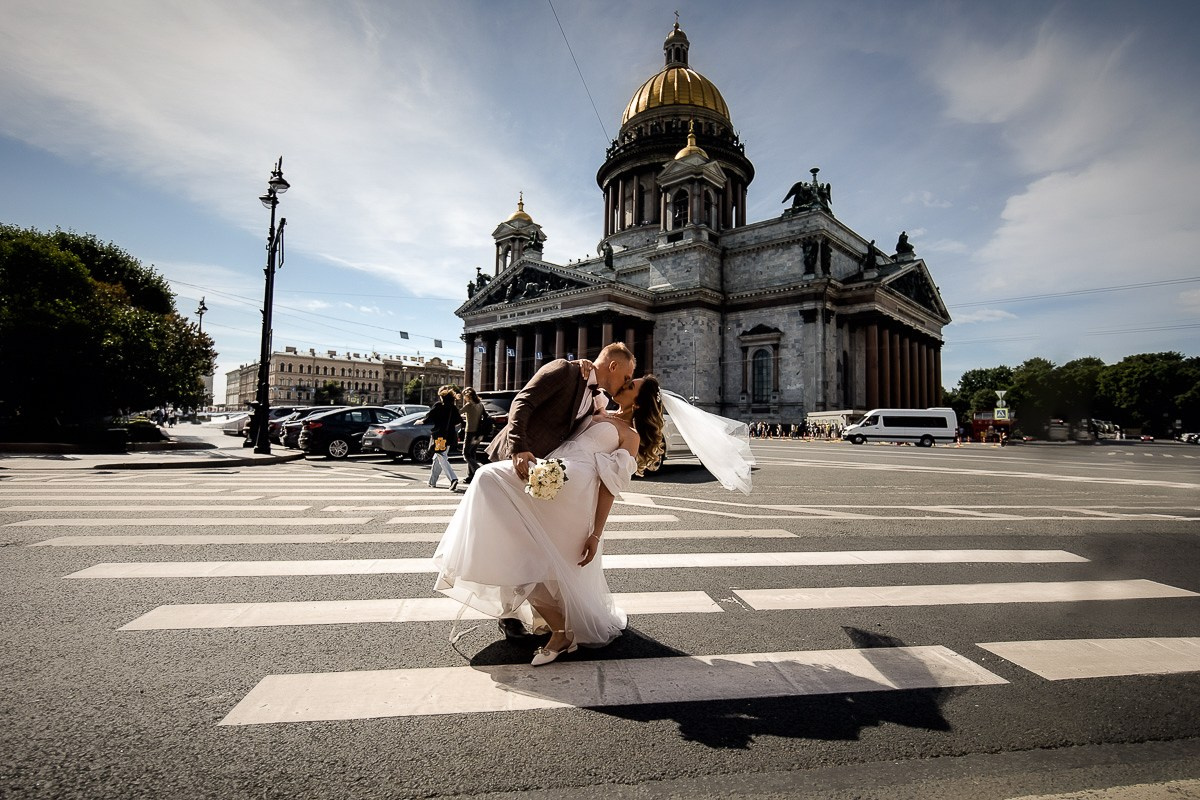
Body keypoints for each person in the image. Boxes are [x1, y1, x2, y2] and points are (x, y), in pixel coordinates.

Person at [433, 375, 666, 666]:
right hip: (551, 474)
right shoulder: (599, 409)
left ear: (639, 402)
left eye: (631, 386)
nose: (624, 384)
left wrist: (595, 534)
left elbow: (609, 488)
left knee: (490, 481)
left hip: (573, 493)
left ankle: (560, 631)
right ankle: (558, 626)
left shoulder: (630, 436)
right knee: (525, 547)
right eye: (628, 380)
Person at [423, 386, 463, 491]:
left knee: (441, 456)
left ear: (441, 396)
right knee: (438, 457)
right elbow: (458, 421)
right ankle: (432, 481)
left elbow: (429, 417)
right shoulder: (453, 408)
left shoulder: (439, 405)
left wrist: (421, 421)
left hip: (440, 436)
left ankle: (453, 478)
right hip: (449, 436)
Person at [459, 387, 485, 484]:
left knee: (466, 454)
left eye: (464, 396)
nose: (464, 398)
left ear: (468, 395)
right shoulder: (480, 404)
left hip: (470, 432)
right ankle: (471, 476)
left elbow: (458, 413)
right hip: (478, 433)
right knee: (472, 453)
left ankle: (477, 469)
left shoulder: (469, 405)